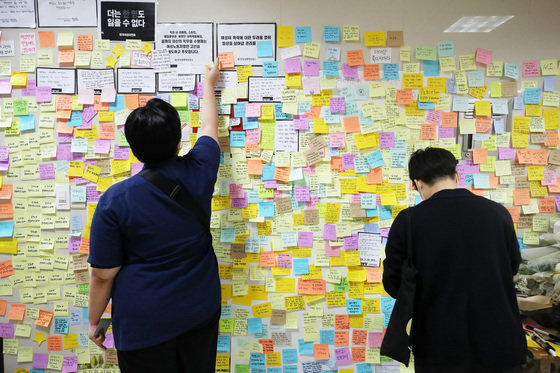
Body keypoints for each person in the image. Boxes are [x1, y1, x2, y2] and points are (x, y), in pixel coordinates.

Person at [87, 61, 222, 373]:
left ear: (134, 149)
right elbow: (210, 129)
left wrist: (95, 319)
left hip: (143, 323)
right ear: (179, 140)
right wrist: (209, 84)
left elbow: (103, 275)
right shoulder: (201, 170)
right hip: (198, 312)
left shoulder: (115, 201)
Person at [383, 147, 527, 373]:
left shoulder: (409, 221)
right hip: (500, 342)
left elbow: (393, 285)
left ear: (417, 183)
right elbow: (512, 267)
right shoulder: (498, 214)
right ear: (457, 175)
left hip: (440, 347)